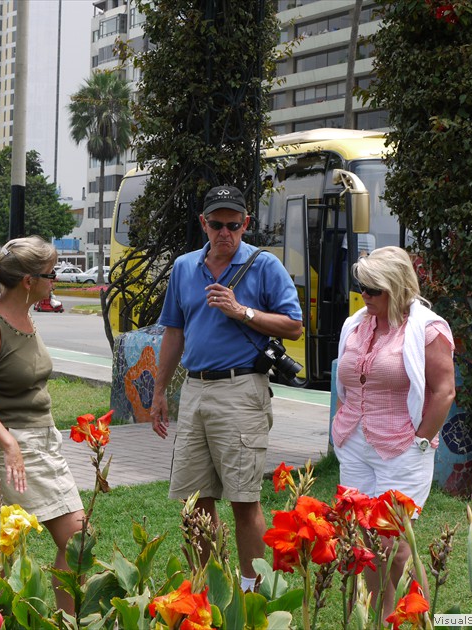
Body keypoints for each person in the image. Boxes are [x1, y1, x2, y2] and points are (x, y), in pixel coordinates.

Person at [150, 185, 303, 592]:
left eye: (233, 225)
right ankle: (210, 587)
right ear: (203, 224)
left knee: (243, 498)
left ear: (245, 224)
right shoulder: (185, 267)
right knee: (194, 500)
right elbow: (174, 332)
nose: (224, 232)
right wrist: (160, 390)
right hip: (195, 391)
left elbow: (294, 324)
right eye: (216, 224)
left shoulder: (263, 265)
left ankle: (253, 591)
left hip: (241, 390)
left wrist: (242, 311)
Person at [0, 236, 84, 613]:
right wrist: (9, 444)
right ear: (29, 281)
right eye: (51, 274)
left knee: (78, 539)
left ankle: (67, 620)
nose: (56, 281)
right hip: (1, 446)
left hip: (41, 444)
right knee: (0, 545)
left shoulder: (27, 317)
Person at [332, 245, 455, 617]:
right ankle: (379, 618)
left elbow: (444, 390)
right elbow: (349, 382)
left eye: (373, 290)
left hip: (403, 447)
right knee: (365, 539)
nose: (364, 296)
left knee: (398, 544)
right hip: (354, 443)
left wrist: (421, 439)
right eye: (362, 288)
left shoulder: (427, 327)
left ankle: (415, 616)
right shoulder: (357, 322)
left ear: (397, 288)